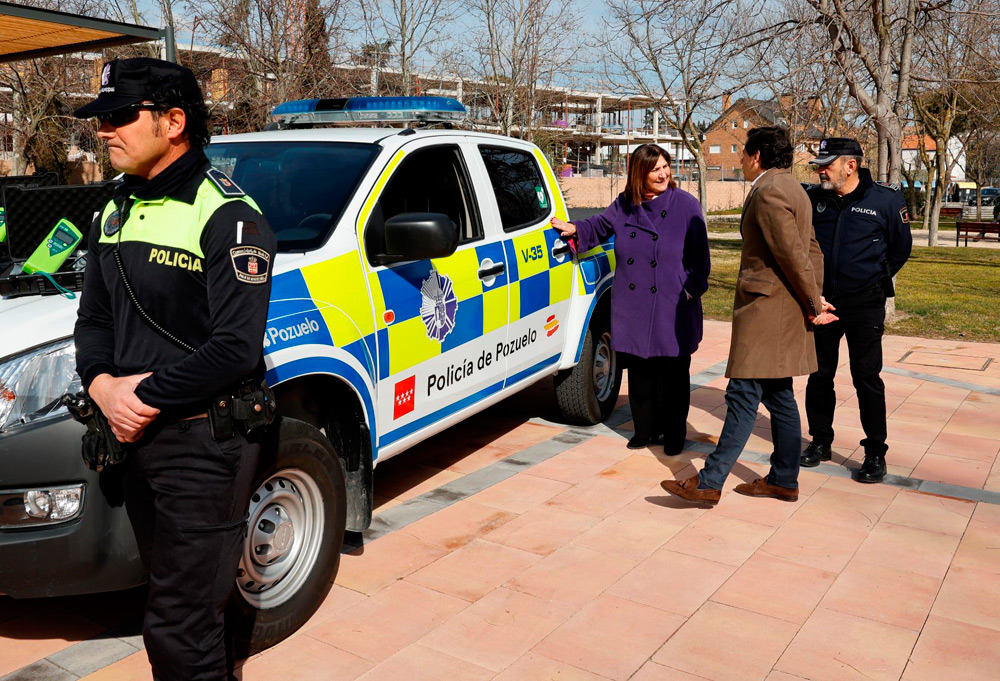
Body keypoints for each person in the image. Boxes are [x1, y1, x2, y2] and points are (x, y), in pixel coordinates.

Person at [73, 58, 276, 680]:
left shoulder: (229, 215)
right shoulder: (114, 209)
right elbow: (94, 321)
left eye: (119, 116)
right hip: (135, 438)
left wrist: (142, 398)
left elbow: (235, 348)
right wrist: (103, 387)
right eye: (101, 118)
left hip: (203, 443)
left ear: (174, 122)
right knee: (179, 600)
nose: (104, 129)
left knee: (178, 625)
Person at [660, 126, 835, 506]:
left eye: (743, 153)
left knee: (742, 394)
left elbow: (793, 254)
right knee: (780, 396)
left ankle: (710, 481)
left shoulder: (770, 191)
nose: (740, 160)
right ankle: (784, 480)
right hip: (780, 311)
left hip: (767, 313)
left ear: (756, 156)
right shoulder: (795, 189)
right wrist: (814, 296)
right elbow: (813, 252)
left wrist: (814, 303)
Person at [551, 144, 710, 454]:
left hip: (672, 304)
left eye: (665, 166)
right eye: (655, 169)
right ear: (639, 174)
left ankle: (673, 434)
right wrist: (574, 228)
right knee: (639, 372)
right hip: (634, 304)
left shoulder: (686, 205)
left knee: (673, 375)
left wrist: (687, 290)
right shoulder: (625, 204)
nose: (663, 174)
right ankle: (644, 430)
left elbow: (700, 259)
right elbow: (599, 226)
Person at [801, 138, 912, 483]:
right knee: (820, 375)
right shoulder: (813, 199)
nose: (821, 171)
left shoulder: (885, 199)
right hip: (823, 303)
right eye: (819, 165)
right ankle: (820, 441)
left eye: (827, 165)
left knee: (866, 377)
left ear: (850, 165)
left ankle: (875, 452)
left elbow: (900, 248)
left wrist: (873, 280)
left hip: (865, 304)